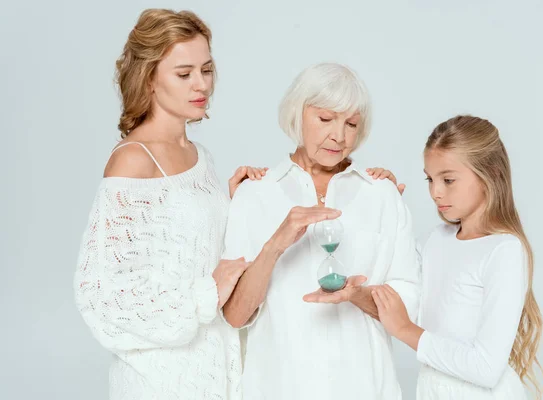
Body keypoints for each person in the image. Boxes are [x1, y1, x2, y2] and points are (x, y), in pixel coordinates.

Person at [73, 9, 259, 399]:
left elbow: (184, 248)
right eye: (184, 73)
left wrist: (232, 206)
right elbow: (104, 295)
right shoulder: (133, 159)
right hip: (160, 381)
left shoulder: (199, 155)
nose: (201, 84)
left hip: (215, 371)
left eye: (206, 70)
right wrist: (206, 291)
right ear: (150, 78)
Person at [222, 63, 420, 399]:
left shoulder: (381, 194)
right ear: (297, 115)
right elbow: (235, 315)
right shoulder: (255, 194)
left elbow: (410, 306)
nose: (339, 136)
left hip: (365, 387)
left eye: (351, 124)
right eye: (325, 119)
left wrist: (356, 295)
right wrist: (275, 244)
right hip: (279, 387)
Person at [373, 115, 543, 399]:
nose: (434, 192)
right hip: (432, 390)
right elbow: (399, 294)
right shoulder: (436, 240)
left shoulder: (504, 250)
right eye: (430, 179)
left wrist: (405, 330)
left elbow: (486, 368)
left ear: (489, 174)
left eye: (448, 179)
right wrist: (385, 202)